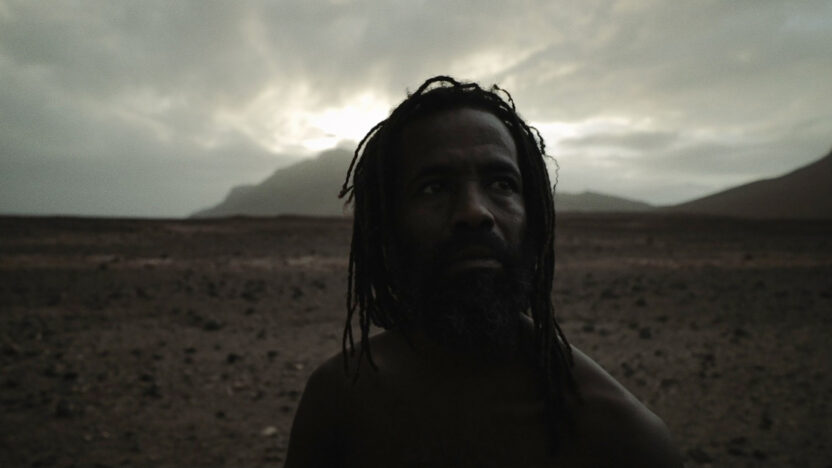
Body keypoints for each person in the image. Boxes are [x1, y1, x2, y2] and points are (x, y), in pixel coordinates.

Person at [285, 76, 683, 467]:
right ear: (387, 226)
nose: (475, 212)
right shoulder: (340, 401)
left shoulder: (620, 439)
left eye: (501, 184)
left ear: (534, 217)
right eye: (434, 187)